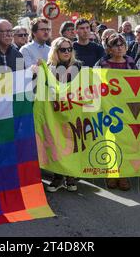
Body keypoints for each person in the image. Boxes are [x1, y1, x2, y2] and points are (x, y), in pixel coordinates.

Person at [95, 33, 136, 191]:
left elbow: (138, 82)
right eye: (116, 45)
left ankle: (123, 174)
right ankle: (112, 173)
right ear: (109, 49)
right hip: (108, 107)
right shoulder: (103, 63)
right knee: (109, 140)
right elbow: (95, 84)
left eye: (122, 44)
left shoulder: (131, 62)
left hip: (126, 107)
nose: (120, 47)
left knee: (125, 141)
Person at [44, 37, 82, 193]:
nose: (67, 52)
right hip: (54, 111)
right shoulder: (48, 68)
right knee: (56, 143)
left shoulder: (79, 66)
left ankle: (71, 176)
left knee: (72, 143)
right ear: (55, 51)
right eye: (63, 49)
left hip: (74, 110)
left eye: (69, 49)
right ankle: (58, 176)